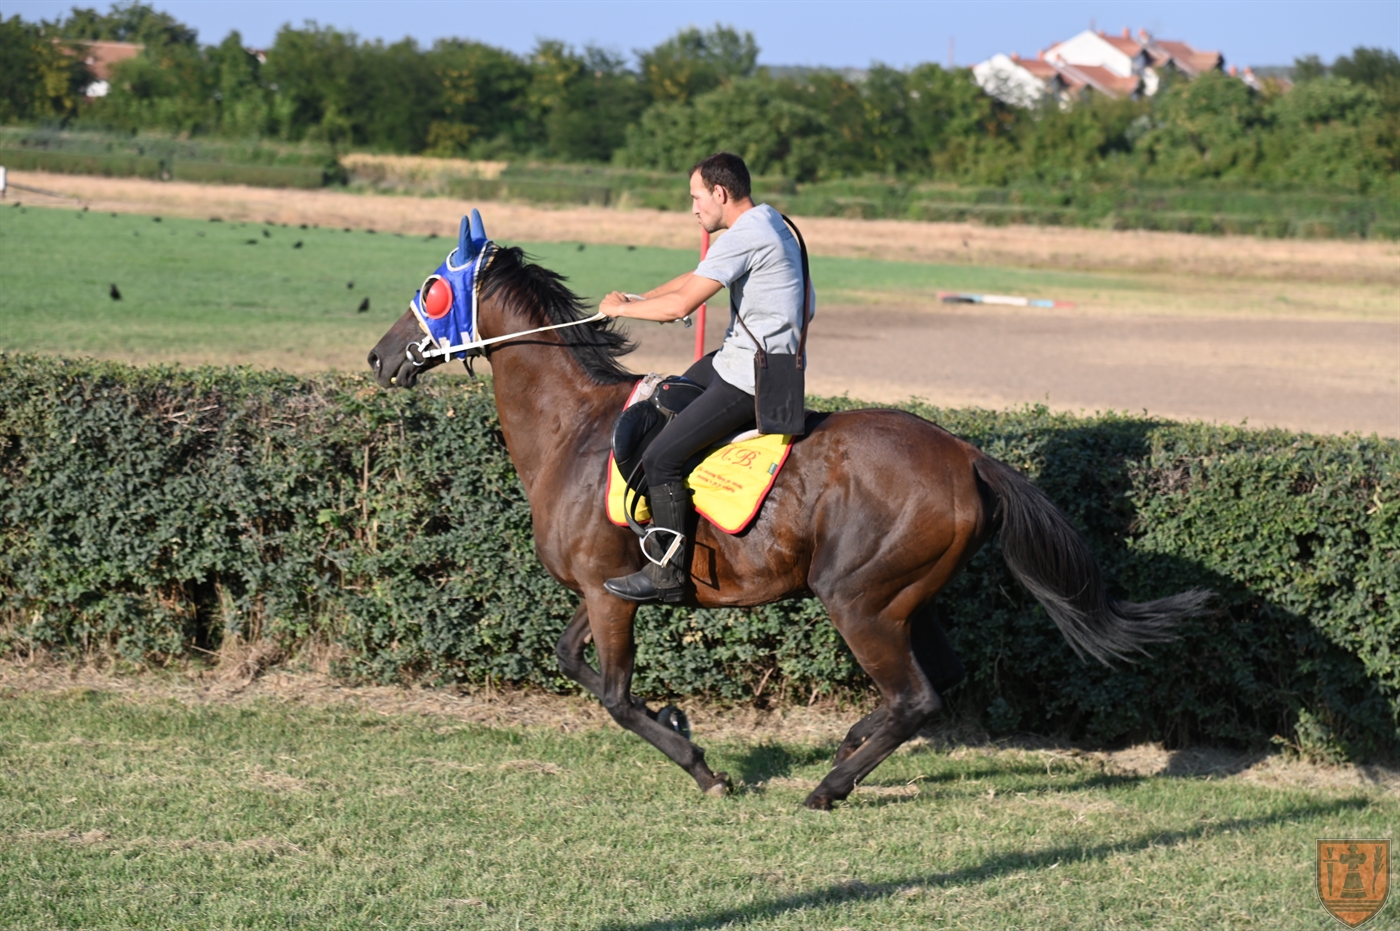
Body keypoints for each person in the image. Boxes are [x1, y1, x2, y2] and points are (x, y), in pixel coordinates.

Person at [598, 152, 813, 604]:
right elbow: (699, 276)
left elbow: (680, 307)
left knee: (661, 458)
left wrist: (620, 310)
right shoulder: (774, 223)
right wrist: (638, 298)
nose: (694, 209)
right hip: (738, 361)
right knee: (669, 398)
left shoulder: (748, 235)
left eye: (697, 198)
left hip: (750, 379)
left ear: (720, 193)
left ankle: (668, 574)